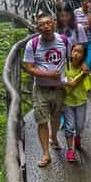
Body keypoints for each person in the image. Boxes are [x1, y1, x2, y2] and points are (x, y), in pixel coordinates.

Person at [22, 12, 69, 168]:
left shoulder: (64, 41)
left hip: (59, 88)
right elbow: (28, 68)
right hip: (41, 89)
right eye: (42, 24)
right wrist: (49, 74)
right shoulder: (33, 44)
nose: (46, 26)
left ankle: (53, 137)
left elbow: (74, 58)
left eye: (48, 23)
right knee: (42, 121)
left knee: (56, 118)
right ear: (38, 28)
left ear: (54, 24)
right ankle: (45, 153)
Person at [62, 43, 91, 164]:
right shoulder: (65, 66)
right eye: (74, 50)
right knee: (69, 127)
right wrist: (82, 75)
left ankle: (78, 137)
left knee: (79, 126)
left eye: (79, 52)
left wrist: (85, 72)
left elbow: (88, 85)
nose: (75, 53)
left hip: (80, 101)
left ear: (83, 55)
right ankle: (70, 149)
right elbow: (71, 84)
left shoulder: (85, 68)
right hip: (67, 101)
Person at [75, 0, 91, 77]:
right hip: (80, 41)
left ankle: (86, 84)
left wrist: (89, 11)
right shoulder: (76, 12)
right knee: (78, 62)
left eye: (88, 1)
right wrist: (81, 27)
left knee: (88, 63)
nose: (86, 3)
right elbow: (73, 26)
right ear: (81, 2)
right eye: (84, 1)